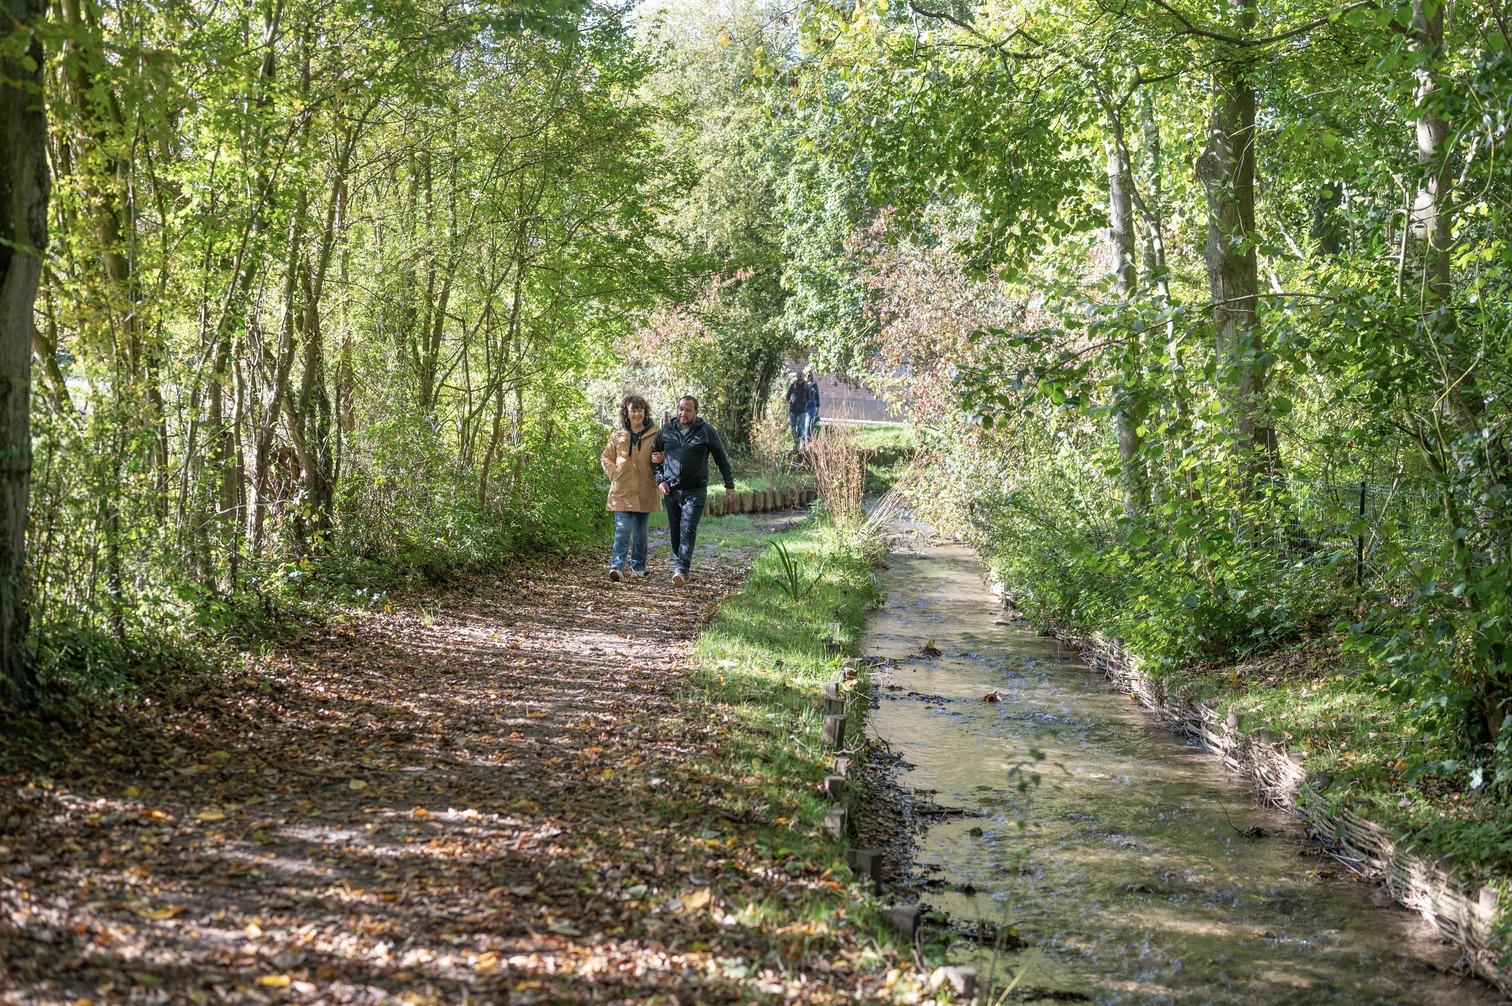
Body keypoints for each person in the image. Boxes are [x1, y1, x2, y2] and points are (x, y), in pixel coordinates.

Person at [651, 396, 735, 586]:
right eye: (681, 409)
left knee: (687, 528)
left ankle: (682, 570)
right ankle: (679, 564)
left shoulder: (706, 431)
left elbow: (721, 458)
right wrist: (660, 480)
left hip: (695, 490)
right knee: (675, 532)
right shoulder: (666, 430)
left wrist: (729, 485)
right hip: (671, 490)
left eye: (688, 410)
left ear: (696, 412)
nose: (683, 413)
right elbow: (653, 458)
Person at [599, 394, 660, 582]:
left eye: (640, 410)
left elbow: (662, 454)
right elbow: (605, 457)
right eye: (633, 410)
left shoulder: (655, 433)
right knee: (622, 529)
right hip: (622, 490)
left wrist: (662, 459)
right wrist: (614, 473)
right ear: (627, 412)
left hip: (645, 489)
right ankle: (616, 568)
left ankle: (638, 567)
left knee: (640, 532)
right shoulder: (618, 435)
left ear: (645, 412)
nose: (637, 414)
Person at [785, 370, 807, 451]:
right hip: (793, 410)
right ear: (797, 379)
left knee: (801, 427)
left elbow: (809, 398)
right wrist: (790, 401)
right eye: (799, 379)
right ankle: (795, 444)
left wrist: (805, 403)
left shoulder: (806, 387)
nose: (800, 381)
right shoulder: (792, 386)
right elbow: (787, 396)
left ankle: (801, 444)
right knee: (793, 427)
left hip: (802, 410)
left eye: (801, 379)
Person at [803, 369, 821, 442]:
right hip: (806, 408)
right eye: (807, 375)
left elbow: (817, 395)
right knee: (807, 425)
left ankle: (808, 440)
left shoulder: (814, 384)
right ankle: (806, 441)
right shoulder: (803, 385)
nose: (808, 377)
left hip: (813, 407)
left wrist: (818, 406)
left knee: (810, 424)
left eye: (809, 375)